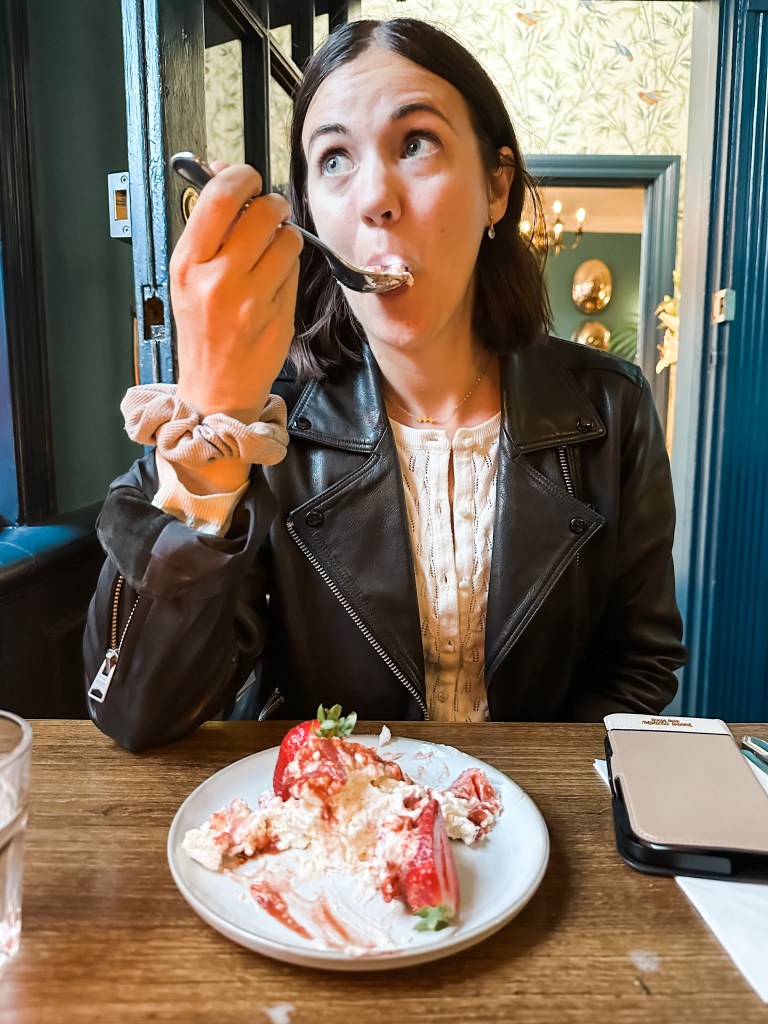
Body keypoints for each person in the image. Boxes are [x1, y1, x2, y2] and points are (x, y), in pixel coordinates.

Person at [84, 17, 686, 752]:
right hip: (325, 810)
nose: (374, 197)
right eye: (334, 158)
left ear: (496, 188)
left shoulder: (613, 407)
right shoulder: (265, 420)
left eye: (416, 143)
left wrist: (521, 793)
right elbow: (135, 714)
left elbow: (640, 665)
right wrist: (215, 412)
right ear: (309, 212)